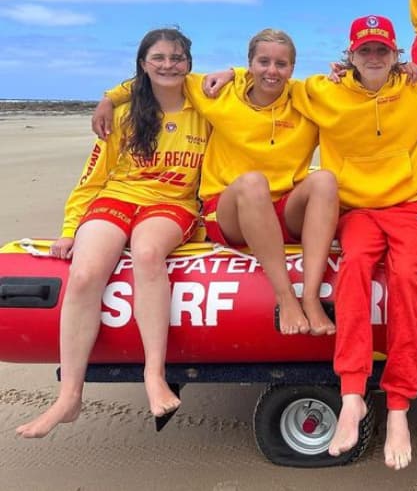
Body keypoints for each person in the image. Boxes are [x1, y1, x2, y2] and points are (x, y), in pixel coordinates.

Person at [17, 28, 209, 438]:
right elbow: (92, 179)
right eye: (158, 58)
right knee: (85, 274)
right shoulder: (123, 114)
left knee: (147, 254)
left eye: (177, 58)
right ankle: (69, 396)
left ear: (189, 65)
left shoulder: (205, 109)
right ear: (143, 64)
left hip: (171, 202)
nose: (168, 65)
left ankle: (154, 375)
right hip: (117, 197)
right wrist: (70, 229)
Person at [93, 29, 339, 337]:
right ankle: (286, 297)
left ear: (292, 69)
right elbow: (162, 75)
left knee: (325, 180)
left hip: (281, 208)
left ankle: (312, 298)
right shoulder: (218, 93)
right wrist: (109, 98)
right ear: (249, 64)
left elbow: (352, 94)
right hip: (229, 210)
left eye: (281, 64)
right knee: (252, 183)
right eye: (263, 62)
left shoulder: (304, 99)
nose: (272, 71)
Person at [289, 15, 417, 470]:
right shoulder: (324, 90)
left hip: (410, 205)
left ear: (397, 55)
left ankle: (398, 405)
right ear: (350, 55)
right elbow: (266, 76)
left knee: (405, 279)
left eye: (382, 50)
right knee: (353, 266)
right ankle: (352, 394)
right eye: (365, 50)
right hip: (357, 210)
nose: (373, 57)